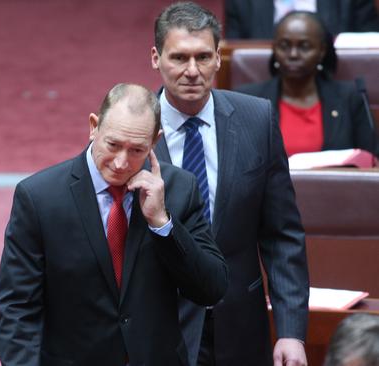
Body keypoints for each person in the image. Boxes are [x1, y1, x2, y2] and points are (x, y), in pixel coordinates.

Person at [0, 83, 228, 365]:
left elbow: (211, 288)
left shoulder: (178, 189)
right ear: (94, 126)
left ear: (155, 142)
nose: (120, 163)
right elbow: (16, 308)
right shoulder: (40, 198)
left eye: (136, 150)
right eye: (113, 145)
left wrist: (162, 224)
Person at [150, 3, 309, 366]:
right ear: (156, 58)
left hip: (239, 325)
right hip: (159, 328)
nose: (192, 71)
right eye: (179, 58)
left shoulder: (257, 119)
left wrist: (291, 331)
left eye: (203, 57)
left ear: (219, 58)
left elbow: (282, 235)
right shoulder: (129, 128)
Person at [236, 11, 377, 157]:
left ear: (322, 50)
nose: (293, 54)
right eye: (284, 46)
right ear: (274, 48)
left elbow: (370, 159)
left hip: (331, 180)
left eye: (304, 46)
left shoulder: (350, 98)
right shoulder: (247, 99)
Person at [225, 0, 379, 39]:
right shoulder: (242, 2)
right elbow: (233, 56)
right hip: (263, 87)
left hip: (335, 85)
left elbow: (368, 49)